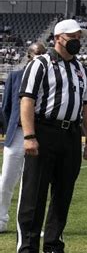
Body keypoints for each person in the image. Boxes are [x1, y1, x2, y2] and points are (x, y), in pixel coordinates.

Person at [17, 19, 87, 253]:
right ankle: (27, 252)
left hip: (70, 134)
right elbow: (27, 100)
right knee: (34, 193)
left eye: (80, 37)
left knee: (63, 193)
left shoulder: (81, 69)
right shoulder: (40, 64)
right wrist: (29, 136)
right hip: (44, 130)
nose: (78, 41)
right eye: (74, 36)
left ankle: (53, 244)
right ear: (58, 38)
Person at [0, 42, 46, 233]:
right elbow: (6, 107)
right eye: (38, 55)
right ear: (29, 56)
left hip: (39, 134)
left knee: (34, 182)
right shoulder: (15, 76)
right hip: (16, 134)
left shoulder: (47, 79)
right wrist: (10, 129)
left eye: (44, 55)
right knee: (7, 179)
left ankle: (31, 224)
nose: (42, 58)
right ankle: (1, 220)